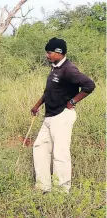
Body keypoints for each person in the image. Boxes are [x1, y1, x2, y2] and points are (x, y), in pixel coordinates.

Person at [30, 37, 95, 193]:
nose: (47, 55)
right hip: (49, 116)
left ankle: (61, 192)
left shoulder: (69, 69)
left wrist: (73, 101)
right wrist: (37, 105)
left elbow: (89, 85)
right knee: (39, 148)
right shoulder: (55, 67)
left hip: (62, 116)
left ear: (59, 52)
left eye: (50, 52)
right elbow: (49, 91)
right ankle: (43, 187)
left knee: (60, 154)